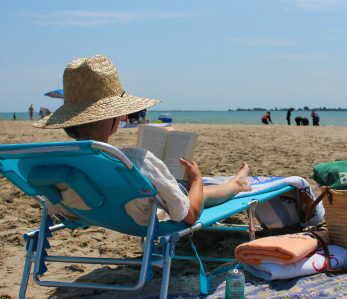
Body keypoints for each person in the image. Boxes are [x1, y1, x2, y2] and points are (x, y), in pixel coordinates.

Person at [34, 55, 252, 226]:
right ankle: (236, 184)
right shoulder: (136, 161)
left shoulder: (57, 162)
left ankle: (233, 182)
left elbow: (61, 210)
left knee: (179, 186)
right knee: (197, 190)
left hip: (93, 214)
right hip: (141, 218)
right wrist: (196, 179)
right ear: (112, 116)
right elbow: (190, 215)